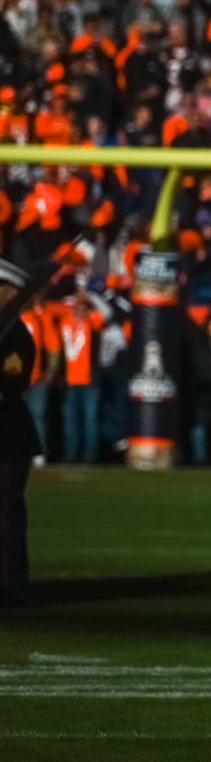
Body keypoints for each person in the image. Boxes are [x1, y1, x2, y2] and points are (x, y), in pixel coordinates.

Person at [0, 260, 40, 606]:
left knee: (6, 513)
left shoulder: (17, 338)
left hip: (9, 436)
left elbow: (10, 386)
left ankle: (10, 584)